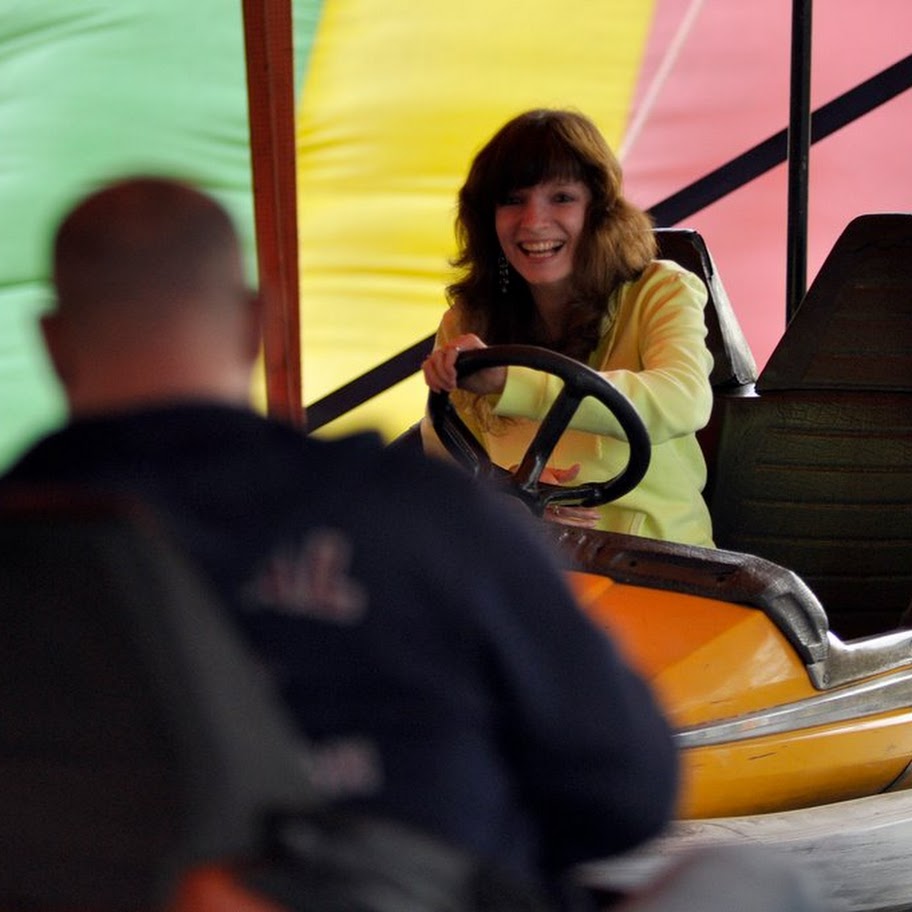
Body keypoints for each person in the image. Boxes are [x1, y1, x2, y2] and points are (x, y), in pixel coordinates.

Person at [0, 176, 678, 906]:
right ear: (257, 323)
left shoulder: (27, 548)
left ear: (51, 340)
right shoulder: (423, 515)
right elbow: (628, 794)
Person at [421, 109, 715, 548]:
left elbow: (684, 399)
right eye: (513, 200)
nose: (533, 222)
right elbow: (445, 451)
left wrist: (513, 383)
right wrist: (506, 498)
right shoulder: (466, 321)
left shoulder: (661, 289)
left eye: (561, 198)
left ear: (598, 211)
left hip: (660, 561)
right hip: (532, 559)